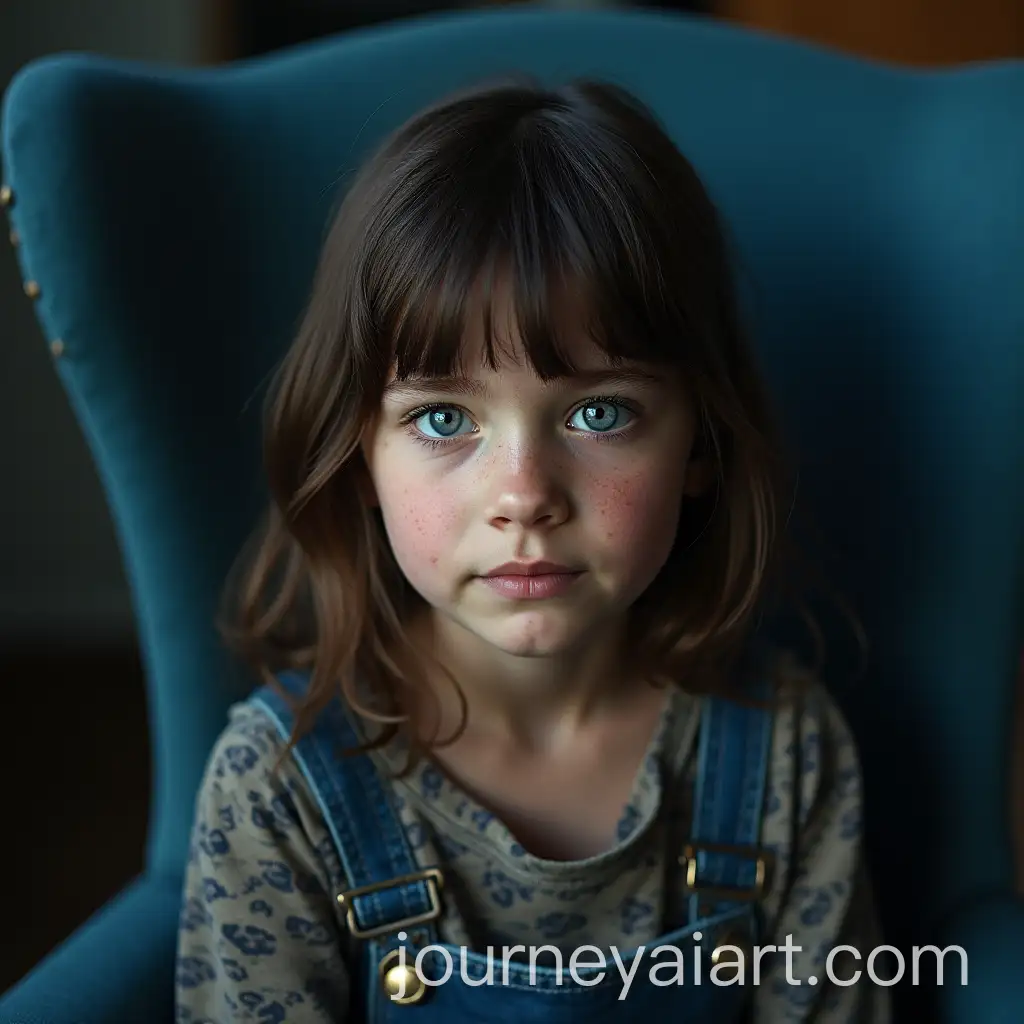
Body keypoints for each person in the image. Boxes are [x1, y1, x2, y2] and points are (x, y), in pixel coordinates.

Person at [174, 78, 888, 1023]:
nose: (524, 497)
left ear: (700, 450)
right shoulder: (280, 792)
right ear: (358, 460)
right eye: (441, 418)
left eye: (599, 414)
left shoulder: (788, 758)